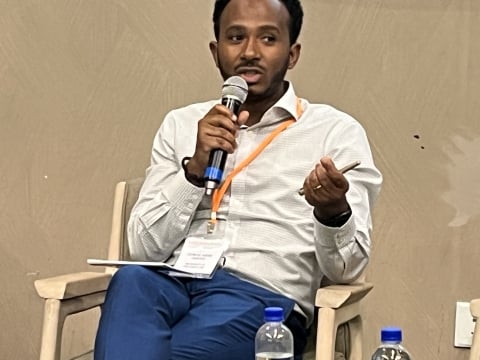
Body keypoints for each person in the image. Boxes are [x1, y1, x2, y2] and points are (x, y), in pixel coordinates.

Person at [94, 0, 382, 359]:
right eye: (235, 37)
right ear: (216, 52)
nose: (249, 52)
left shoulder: (334, 132)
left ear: (292, 54)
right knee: (131, 280)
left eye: (267, 38)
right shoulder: (182, 125)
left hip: (261, 299)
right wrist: (195, 169)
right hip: (172, 283)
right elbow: (142, 250)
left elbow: (347, 269)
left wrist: (333, 210)